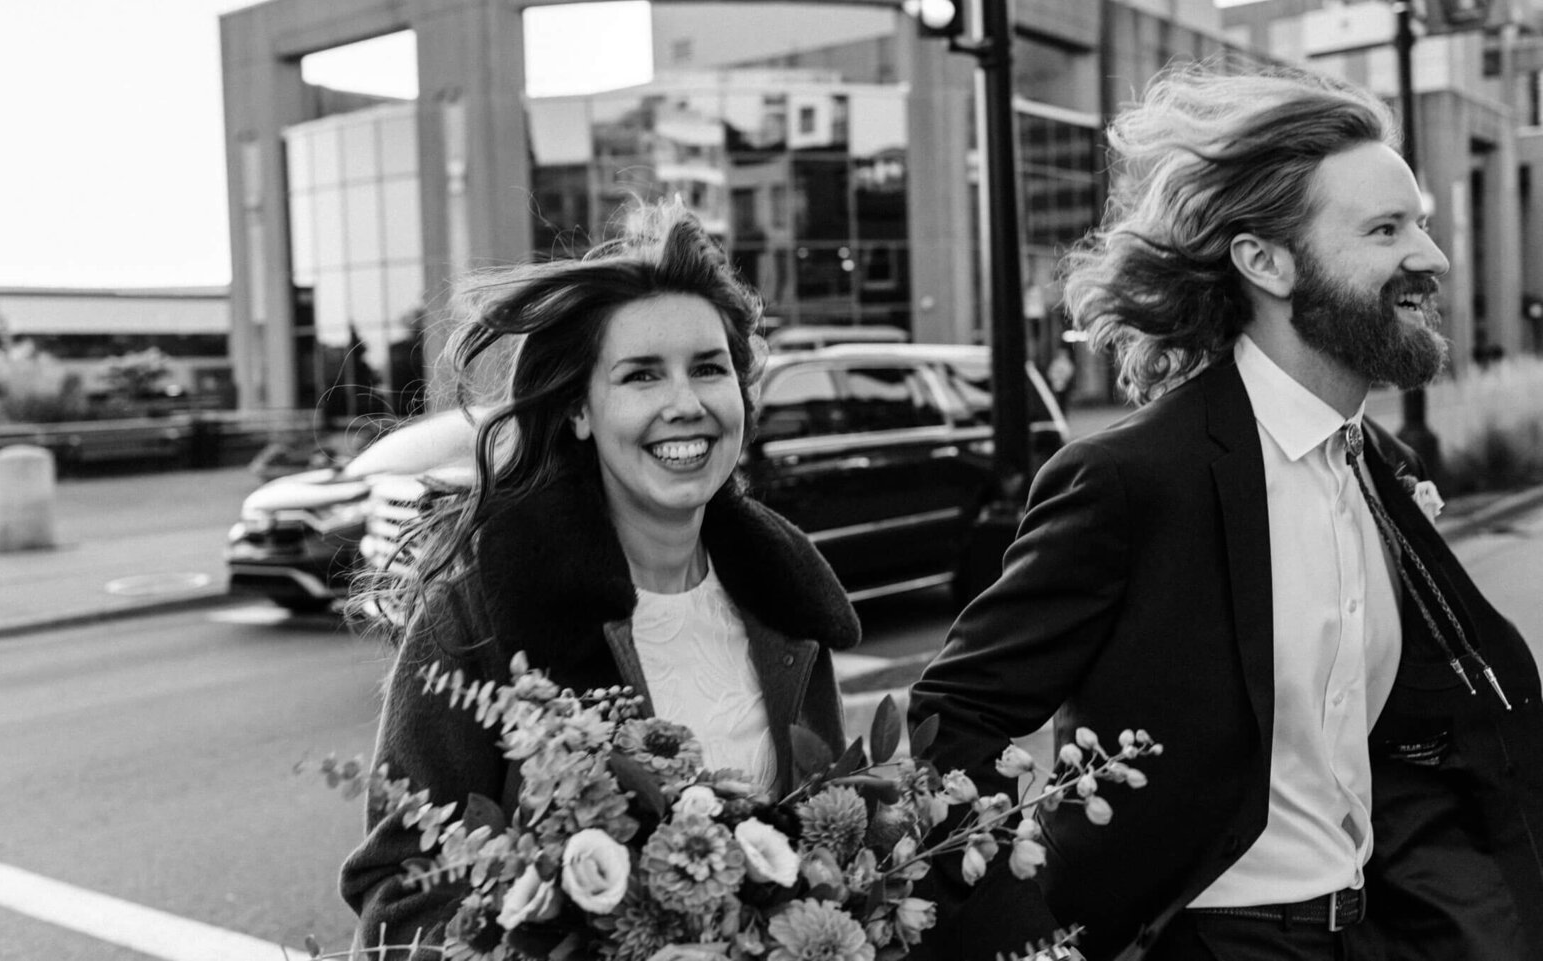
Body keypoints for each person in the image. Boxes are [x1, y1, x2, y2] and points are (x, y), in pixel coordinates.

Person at [908, 65, 1543, 961]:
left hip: (1373, 930)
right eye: (1386, 229)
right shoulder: (1132, 479)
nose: (1431, 258)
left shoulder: (1378, 467)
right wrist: (1036, 949)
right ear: (1266, 261)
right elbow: (945, 729)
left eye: (1423, 226)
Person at [340, 202, 861, 955]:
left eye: (709, 368)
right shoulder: (482, 613)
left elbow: (821, 836)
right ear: (582, 410)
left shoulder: (787, 601)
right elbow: (398, 891)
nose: (685, 404)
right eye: (642, 375)